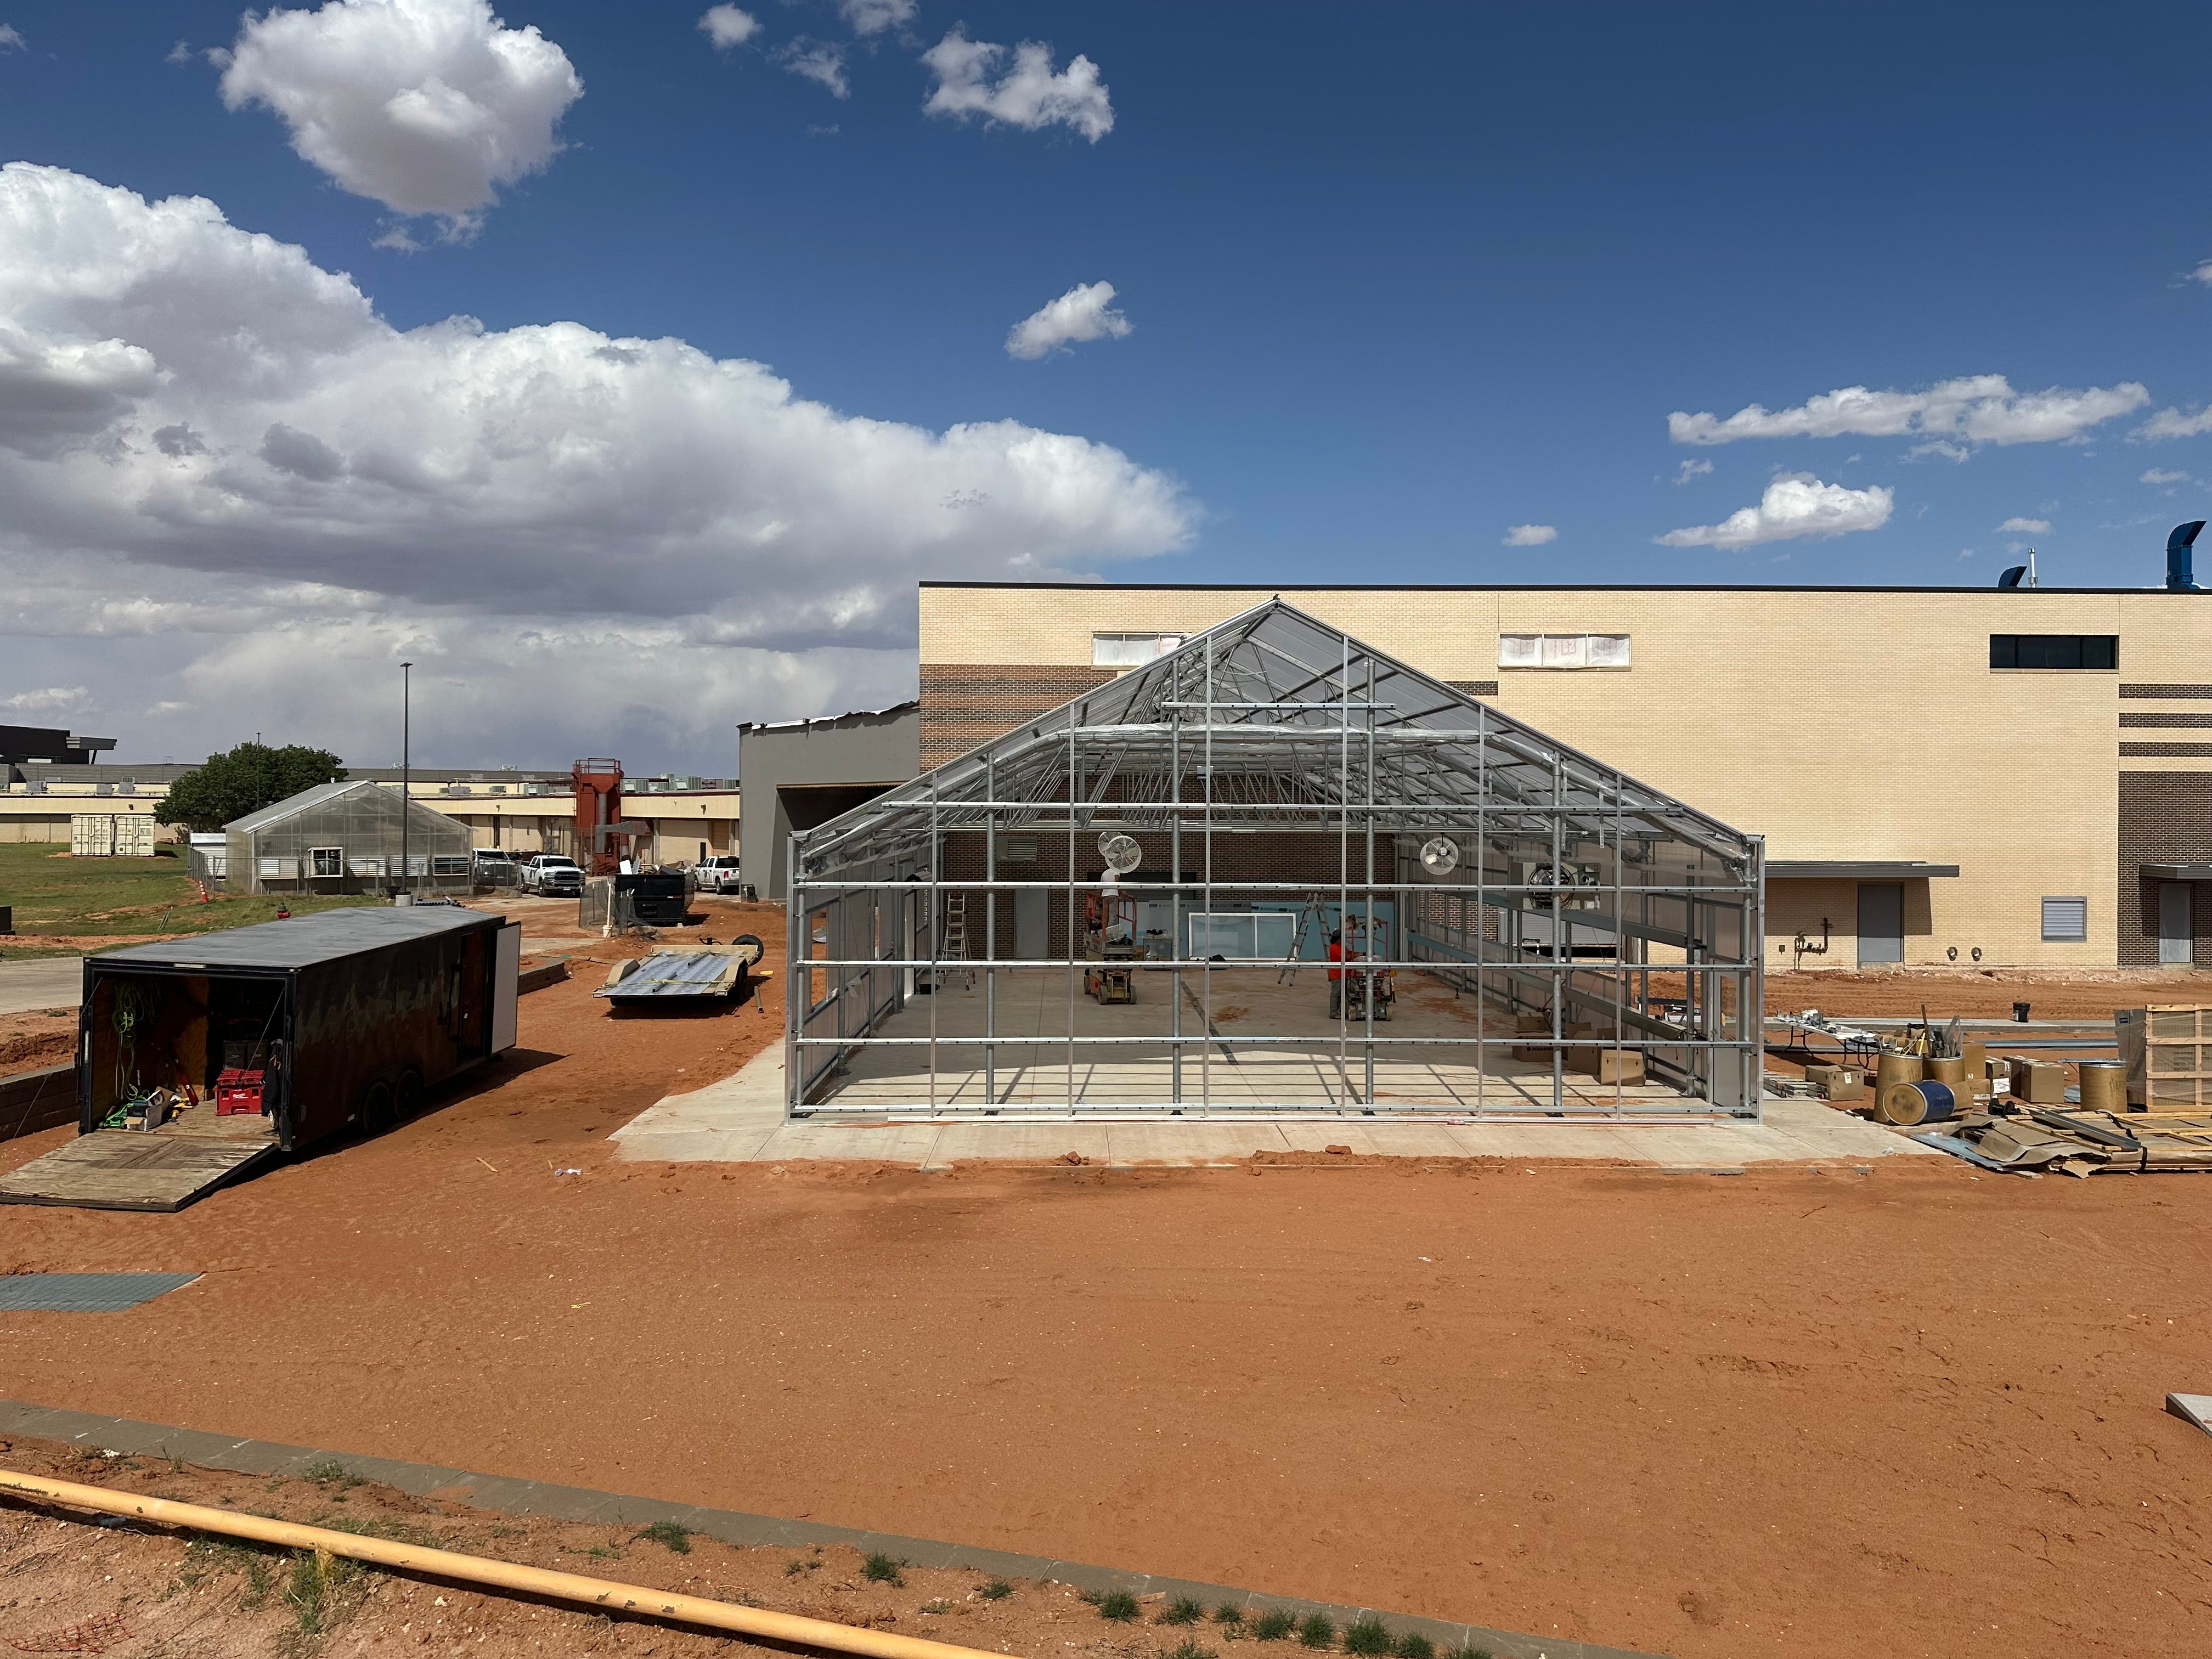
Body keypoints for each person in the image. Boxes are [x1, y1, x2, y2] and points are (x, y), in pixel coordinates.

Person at [1327, 928, 1345, 1018]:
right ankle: (1333, 1012)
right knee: (1336, 993)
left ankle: (1339, 1010)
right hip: (1337, 974)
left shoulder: (1341, 946)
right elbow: (1346, 956)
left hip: (1343, 973)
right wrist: (1360, 954)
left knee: (1341, 994)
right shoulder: (1335, 947)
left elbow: (1349, 953)